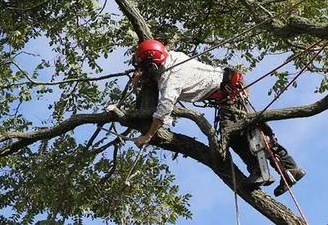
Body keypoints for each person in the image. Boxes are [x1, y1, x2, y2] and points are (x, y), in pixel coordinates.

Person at [130, 39, 306, 196]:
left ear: (153, 64)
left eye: (146, 67)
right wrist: (143, 77)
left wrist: (149, 135)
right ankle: (263, 170)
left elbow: (164, 108)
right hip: (227, 93)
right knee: (238, 137)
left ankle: (284, 169)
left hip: (231, 92)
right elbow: (156, 69)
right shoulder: (171, 58)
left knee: (246, 135)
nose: (145, 71)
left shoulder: (172, 79)